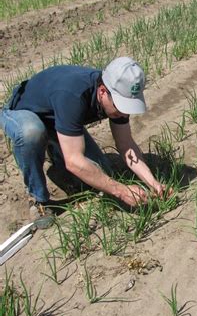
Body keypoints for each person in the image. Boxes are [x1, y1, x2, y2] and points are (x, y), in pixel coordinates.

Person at [0, 56, 169, 226]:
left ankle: (56, 151)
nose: (124, 114)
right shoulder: (73, 95)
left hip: (59, 117)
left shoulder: (114, 98)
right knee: (32, 133)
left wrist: (152, 182)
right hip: (24, 114)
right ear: (103, 92)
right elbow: (74, 161)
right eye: (121, 106)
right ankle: (38, 199)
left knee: (101, 175)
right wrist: (121, 191)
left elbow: (126, 144)